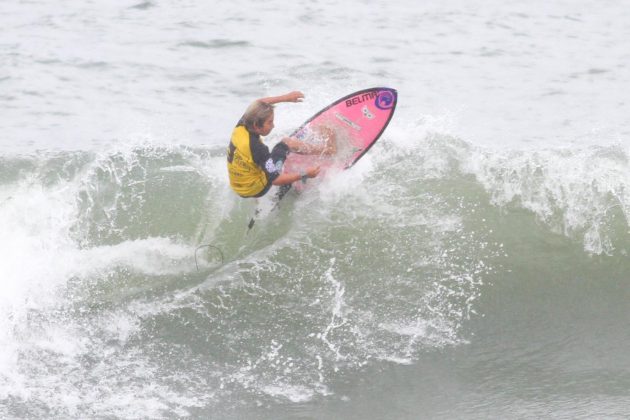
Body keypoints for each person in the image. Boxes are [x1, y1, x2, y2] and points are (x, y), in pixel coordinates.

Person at [227, 91, 335, 198]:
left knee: (261, 161)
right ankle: (328, 151)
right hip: (256, 190)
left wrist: (286, 98)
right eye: (269, 122)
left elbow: (259, 102)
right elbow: (275, 180)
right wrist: (305, 174)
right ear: (256, 125)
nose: (273, 126)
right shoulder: (258, 148)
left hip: (237, 186)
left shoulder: (242, 124)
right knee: (286, 142)